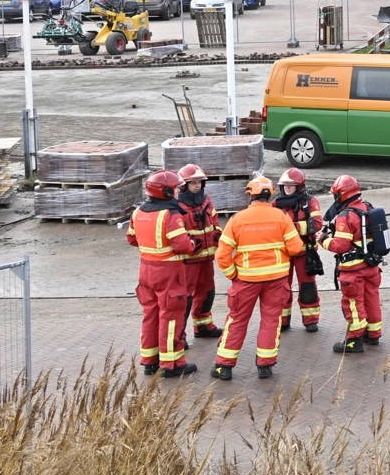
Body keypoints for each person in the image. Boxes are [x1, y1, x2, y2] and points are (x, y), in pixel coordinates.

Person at [211, 174, 303, 380]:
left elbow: (222, 255)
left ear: (249, 195)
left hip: (245, 281)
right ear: (270, 194)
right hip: (276, 280)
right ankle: (265, 365)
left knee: (236, 320)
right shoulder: (281, 217)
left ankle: (223, 366)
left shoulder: (237, 220)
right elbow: (296, 248)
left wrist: (233, 275)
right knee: (271, 320)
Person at [125, 169, 198, 378]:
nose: (178, 193)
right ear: (166, 192)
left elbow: (131, 239)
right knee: (171, 316)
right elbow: (183, 245)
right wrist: (193, 243)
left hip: (145, 271)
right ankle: (172, 363)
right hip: (169, 272)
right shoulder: (171, 215)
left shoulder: (138, 212)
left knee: (150, 315)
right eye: (175, 189)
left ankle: (150, 361)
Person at [324, 175, 383, 353]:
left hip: (353, 271)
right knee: (371, 298)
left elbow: (340, 246)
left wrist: (324, 240)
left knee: (353, 304)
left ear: (341, 195)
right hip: (371, 267)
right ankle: (373, 334)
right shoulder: (367, 208)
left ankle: (353, 341)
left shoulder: (345, 216)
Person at [272, 168, 325, 333]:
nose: (287, 188)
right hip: (283, 253)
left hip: (304, 251)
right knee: (282, 287)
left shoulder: (310, 201)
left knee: (307, 286)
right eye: (285, 186)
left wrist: (289, 228)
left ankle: (310, 320)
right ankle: (283, 320)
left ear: (299, 186)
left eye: (291, 185)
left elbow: (316, 224)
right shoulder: (275, 204)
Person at [176, 163, 222, 339]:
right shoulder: (177, 207)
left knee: (207, 292)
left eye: (199, 182)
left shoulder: (206, 201)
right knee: (185, 299)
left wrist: (217, 234)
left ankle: (203, 326)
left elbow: (215, 221)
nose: (197, 185)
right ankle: (179, 336)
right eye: (193, 182)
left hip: (206, 259)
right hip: (188, 261)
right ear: (184, 185)